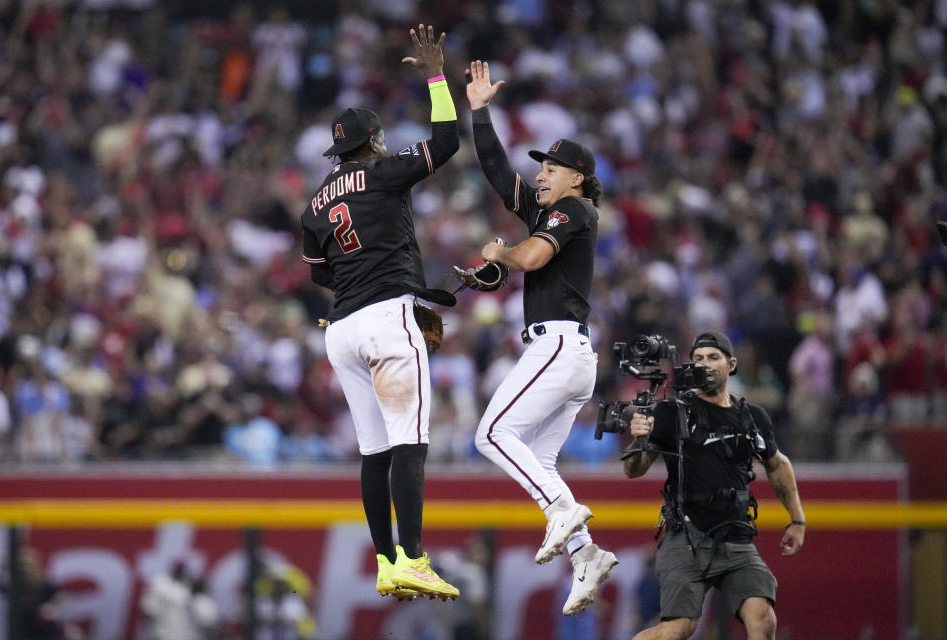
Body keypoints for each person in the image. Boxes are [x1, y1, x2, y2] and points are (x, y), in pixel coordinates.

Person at [300, 24, 459, 601]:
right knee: (411, 441)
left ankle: (387, 560)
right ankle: (414, 557)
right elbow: (446, 142)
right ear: (374, 141)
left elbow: (320, 271)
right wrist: (439, 79)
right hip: (387, 315)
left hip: (341, 329)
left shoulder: (316, 201)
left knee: (375, 450)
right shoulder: (384, 170)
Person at [464, 59, 617, 616]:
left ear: (575, 176)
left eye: (550, 167)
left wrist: (500, 253)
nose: (540, 175)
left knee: (492, 435)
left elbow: (530, 256)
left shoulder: (575, 208)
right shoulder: (549, 208)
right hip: (566, 352)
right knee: (541, 462)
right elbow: (496, 170)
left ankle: (561, 509)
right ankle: (587, 555)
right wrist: (480, 111)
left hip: (557, 346)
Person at [625, 330, 806, 640]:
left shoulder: (753, 417)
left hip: (735, 536)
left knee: (763, 619)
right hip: (687, 536)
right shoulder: (672, 412)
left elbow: (778, 464)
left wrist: (798, 520)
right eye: (697, 359)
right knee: (677, 629)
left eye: (712, 357)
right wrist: (639, 438)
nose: (704, 364)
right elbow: (634, 469)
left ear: (731, 364)